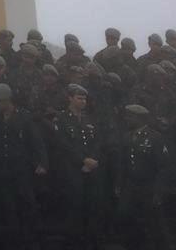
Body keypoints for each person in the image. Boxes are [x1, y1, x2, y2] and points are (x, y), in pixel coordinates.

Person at [0, 82, 47, 247]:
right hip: (4, 170)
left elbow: (37, 141)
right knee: (9, 207)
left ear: (6, 101)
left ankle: (32, 240)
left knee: (28, 205)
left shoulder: (24, 117)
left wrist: (42, 163)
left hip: (23, 170)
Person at [53, 83, 104, 247]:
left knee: (93, 205)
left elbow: (97, 141)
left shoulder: (90, 118)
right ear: (70, 98)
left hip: (91, 168)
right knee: (74, 207)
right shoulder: (61, 118)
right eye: (79, 98)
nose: (83, 101)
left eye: (84, 99)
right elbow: (64, 144)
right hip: (72, 169)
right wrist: (83, 160)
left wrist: (93, 159)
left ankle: (91, 240)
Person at [116, 104, 171, 250]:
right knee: (126, 216)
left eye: (130, 117)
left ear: (139, 118)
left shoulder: (155, 137)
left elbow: (163, 167)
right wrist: (119, 184)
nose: (127, 119)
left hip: (149, 184)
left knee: (154, 221)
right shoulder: (126, 137)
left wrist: (158, 190)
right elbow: (122, 163)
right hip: (131, 184)